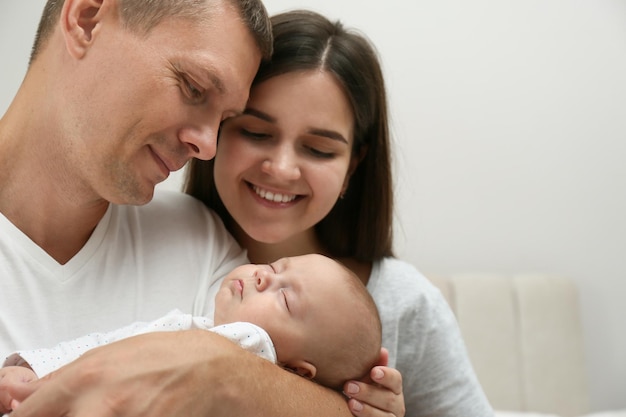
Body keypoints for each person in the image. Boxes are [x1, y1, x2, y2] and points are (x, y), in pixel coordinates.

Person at [0, 1, 398, 417]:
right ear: (86, 20)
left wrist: (225, 373)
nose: (208, 147)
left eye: (226, 117)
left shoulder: (198, 239)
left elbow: (316, 389)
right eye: (193, 88)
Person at [184, 9, 494, 417]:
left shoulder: (405, 304)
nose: (281, 169)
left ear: (352, 166)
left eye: (318, 149)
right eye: (257, 133)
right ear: (217, 128)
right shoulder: (160, 246)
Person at [0, 254, 382, 413]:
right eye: (276, 266)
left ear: (298, 371)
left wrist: (40, 374)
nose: (263, 275)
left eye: (285, 299)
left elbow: (114, 353)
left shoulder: (247, 343)